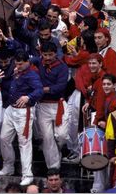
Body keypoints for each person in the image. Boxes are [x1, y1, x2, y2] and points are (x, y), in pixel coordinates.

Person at [0, 51, 43, 186]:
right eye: (16, 63)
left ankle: (27, 174)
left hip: (24, 112)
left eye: (21, 64)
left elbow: (39, 90)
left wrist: (28, 97)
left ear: (27, 62)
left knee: (24, 143)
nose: (18, 66)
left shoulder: (32, 75)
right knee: (4, 138)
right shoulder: (15, 71)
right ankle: (8, 167)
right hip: (11, 109)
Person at [33, 41, 70, 169]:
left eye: (50, 55)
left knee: (62, 135)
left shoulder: (62, 67)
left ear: (55, 54)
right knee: (47, 138)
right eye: (45, 55)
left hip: (58, 103)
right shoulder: (38, 62)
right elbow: (27, 62)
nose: (48, 58)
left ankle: (58, 152)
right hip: (43, 105)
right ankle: (53, 169)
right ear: (41, 53)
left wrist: (44, 89)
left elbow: (60, 87)